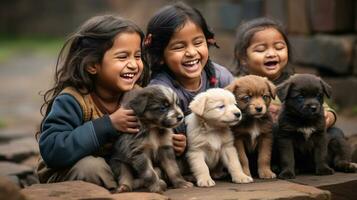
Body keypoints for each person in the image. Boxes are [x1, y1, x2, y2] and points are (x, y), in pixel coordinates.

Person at [36, 14, 149, 190]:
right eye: (123, 57)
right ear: (92, 65)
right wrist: (108, 125)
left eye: (137, 56)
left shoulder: (138, 97)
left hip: (116, 168)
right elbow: (53, 150)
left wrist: (173, 140)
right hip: (68, 171)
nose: (134, 64)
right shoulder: (72, 100)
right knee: (92, 168)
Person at [144, 2, 234, 157]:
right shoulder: (161, 92)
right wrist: (173, 142)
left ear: (208, 41)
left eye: (198, 42)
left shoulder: (221, 77)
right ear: (160, 55)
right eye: (179, 47)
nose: (191, 52)